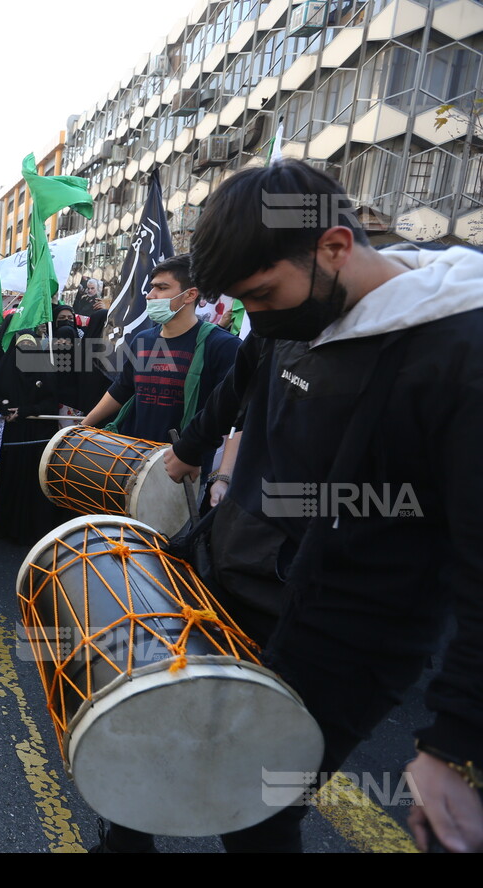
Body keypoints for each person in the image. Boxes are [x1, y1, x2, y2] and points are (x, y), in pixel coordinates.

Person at [153, 159, 483, 854]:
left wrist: (454, 743)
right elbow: (245, 372)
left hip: (349, 630)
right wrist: (189, 450)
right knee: (160, 720)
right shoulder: (289, 314)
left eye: (264, 295)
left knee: (254, 804)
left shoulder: (459, 356)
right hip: (234, 571)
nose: (258, 318)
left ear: (333, 247)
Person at [79, 255, 240, 476]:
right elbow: (122, 389)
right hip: (130, 459)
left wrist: (224, 476)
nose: (150, 295)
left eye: (161, 288)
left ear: (190, 295)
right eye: (151, 287)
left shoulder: (222, 345)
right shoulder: (143, 340)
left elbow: (238, 418)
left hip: (181, 469)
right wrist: (81, 429)